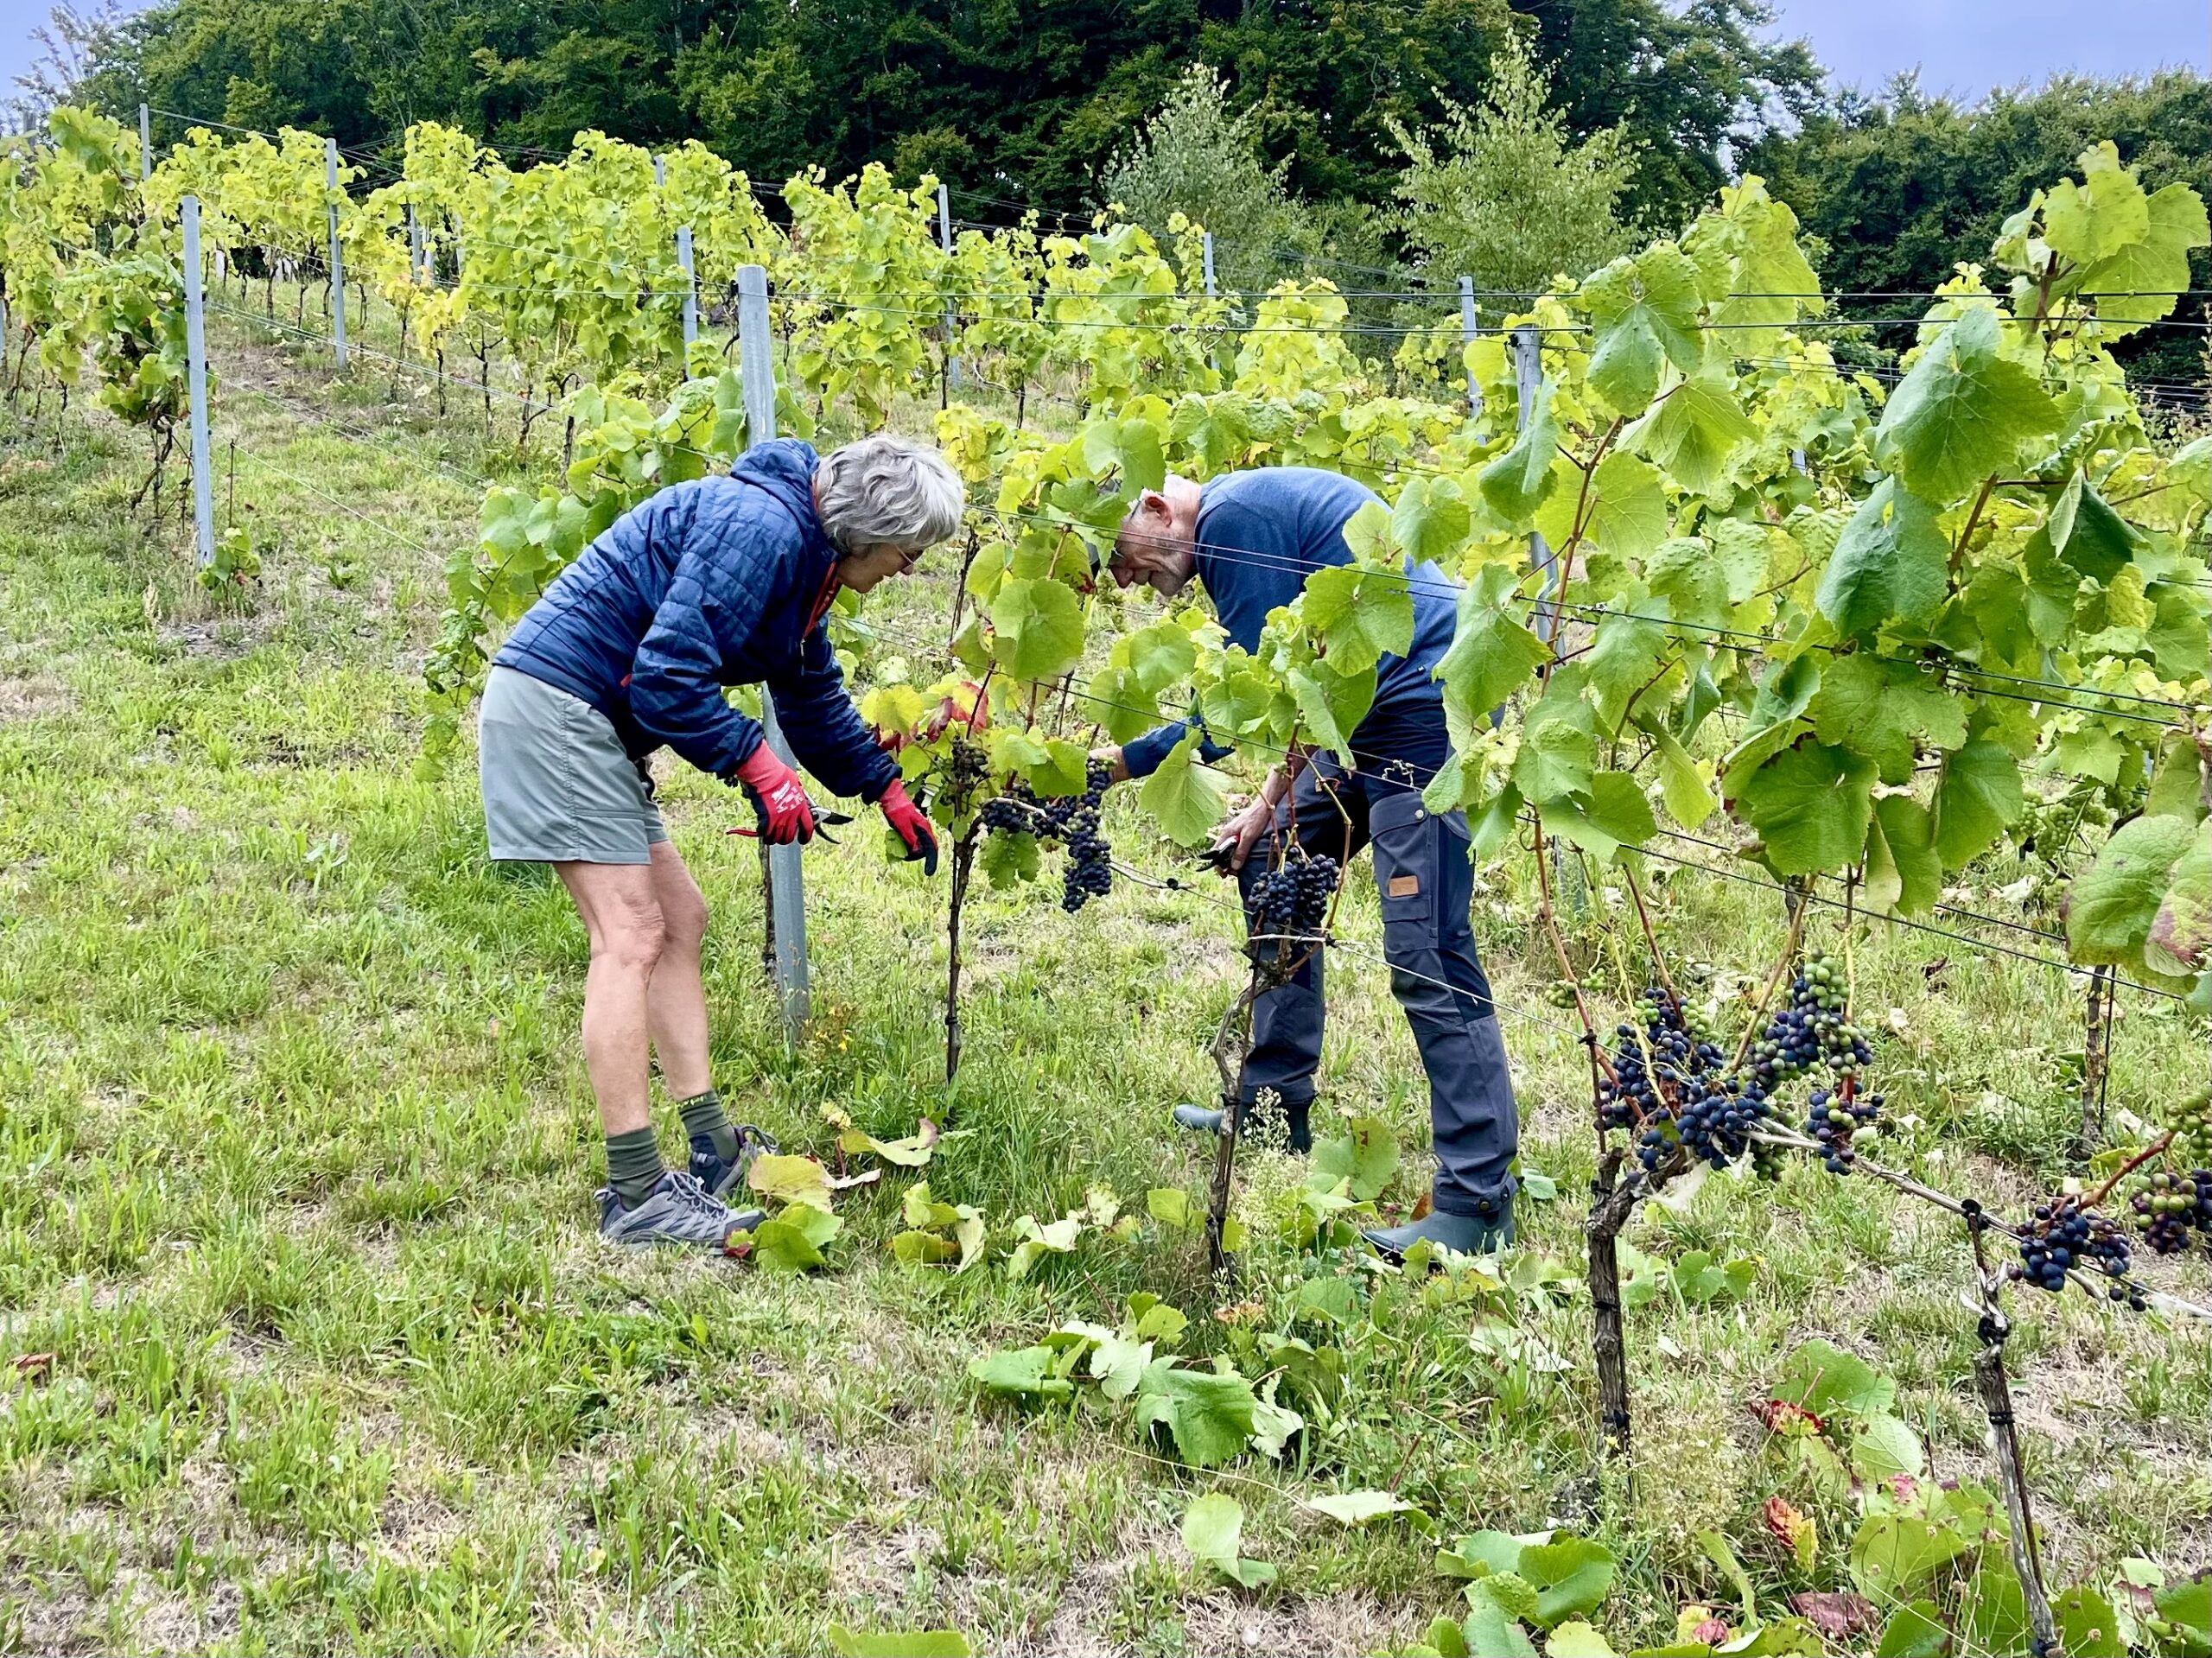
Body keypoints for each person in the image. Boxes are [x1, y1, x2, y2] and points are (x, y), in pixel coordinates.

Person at [478, 435, 961, 1249]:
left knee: (681, 920)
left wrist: (882, 785)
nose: (911, 567)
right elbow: (667, 676)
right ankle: (635, 1196)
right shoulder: (764, 532)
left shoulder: (804, 561)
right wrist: (757, 765)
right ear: (867, 528)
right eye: (910, 549)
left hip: (590, 720)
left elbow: (810, 698)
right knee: (628, 935)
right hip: (559, 709)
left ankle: (713, 1152)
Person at [1096, 468, 1521, 1256]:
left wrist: (1120, 763)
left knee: (1427, 951)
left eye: (1122, 558)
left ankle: (1478, 1200)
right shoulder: (1241, 517)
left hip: (1423, 712)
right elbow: (1299, 691)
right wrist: (1264, 808)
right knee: (1275, 855)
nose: (1129, 581)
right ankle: (1272, 1101)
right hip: (1361, 713)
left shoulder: (1232, 523)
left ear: (1157, 510)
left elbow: (1241, 708)